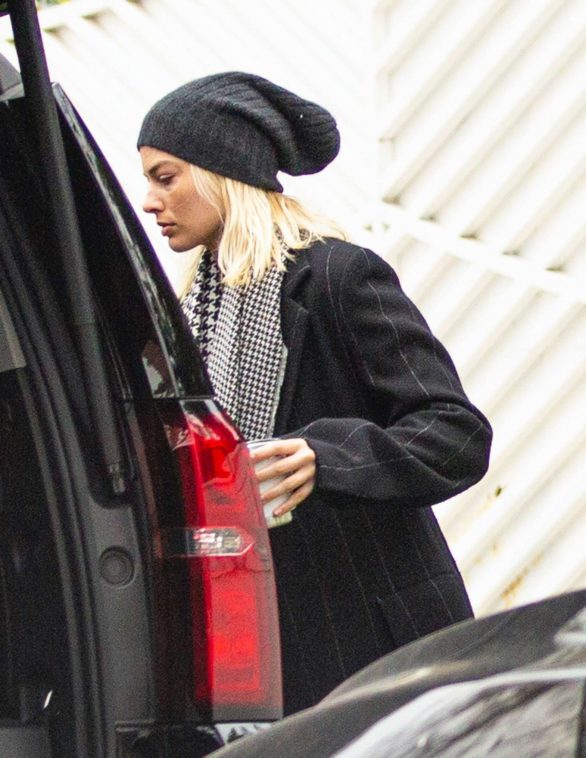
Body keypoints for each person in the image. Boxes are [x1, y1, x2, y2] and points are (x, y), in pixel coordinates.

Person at [137, 71, 493, 715]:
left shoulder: (336, 276)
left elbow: (455, 434)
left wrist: (325, 459)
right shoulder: (191, 315)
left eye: (166, 178)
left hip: (376, 648)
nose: (148, 201)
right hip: (266, 647)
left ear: (223, 173)